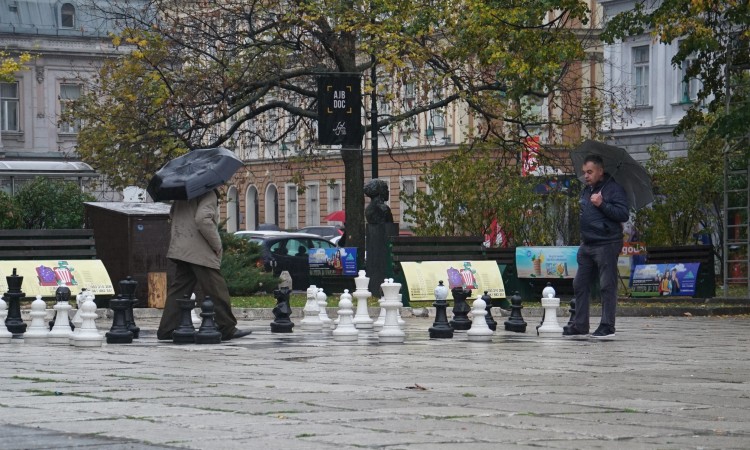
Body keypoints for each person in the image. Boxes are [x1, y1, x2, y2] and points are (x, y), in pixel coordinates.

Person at [157, 190, 252, 341]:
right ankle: (227, 328)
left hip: (181, 248)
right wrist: (217, 244)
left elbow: (172, 215)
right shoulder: (208, 193)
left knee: (179, 289)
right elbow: (203, 219)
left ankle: (166, 329)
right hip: (199, 250)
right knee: (217, 289)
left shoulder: (183, 194)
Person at [564, 154, 629, 338]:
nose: (586, 175)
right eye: (584, 172)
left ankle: (607, 326)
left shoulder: (613, 189)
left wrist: (602, 204)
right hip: (588, 243)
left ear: (600, 171)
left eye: (590, 172)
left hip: (607, 243)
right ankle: (580, 324)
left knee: (607, 285)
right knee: (579, 283)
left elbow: (623, 214)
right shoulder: (586, 190)